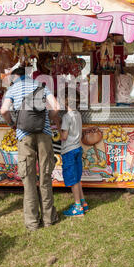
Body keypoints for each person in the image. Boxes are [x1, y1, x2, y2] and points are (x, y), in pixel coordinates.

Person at [0, 66, 61, 231]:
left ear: (15, 77)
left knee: (28, 179)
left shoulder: (13, 89)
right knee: (45, 176)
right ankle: (49, 219)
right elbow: (56, 107)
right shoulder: (40, 86)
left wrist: (12, 124)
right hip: (44, 134)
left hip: (24, 135)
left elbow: (4, 110)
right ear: (28, 75)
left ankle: (32, 222)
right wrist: (48, 119)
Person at [61, 88, 88, 217]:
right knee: (77, 178)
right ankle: (83, 202)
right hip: (77, 148)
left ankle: (77, 207)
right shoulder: (78, 114)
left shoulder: (66, 117)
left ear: (65, 102)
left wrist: (58, 129)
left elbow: (64, 136)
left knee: (72, 180)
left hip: (69, 150)